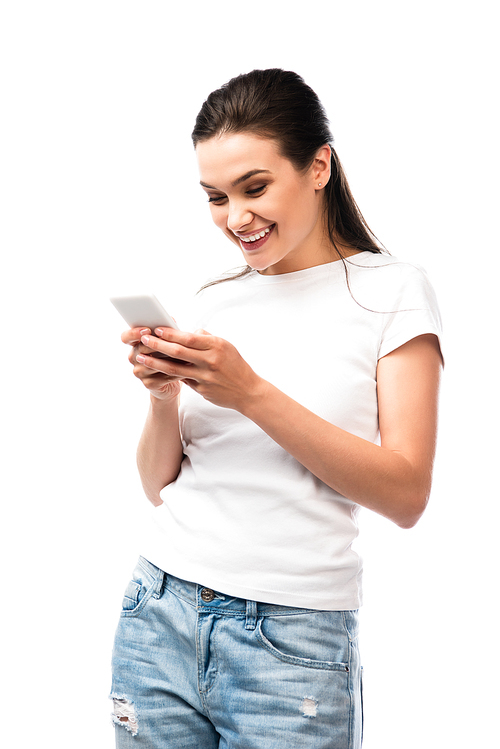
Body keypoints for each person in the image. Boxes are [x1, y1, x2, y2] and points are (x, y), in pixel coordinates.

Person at [109, 69, 443, 748]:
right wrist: (163, 396)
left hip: (290, 638)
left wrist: (252, 394)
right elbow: (158, 486)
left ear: (318, 165)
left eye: (255, 188)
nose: (236, 218)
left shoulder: (393, 293)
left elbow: (407, 493)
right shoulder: (215, 298)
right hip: (159, 611)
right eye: (216, 197)